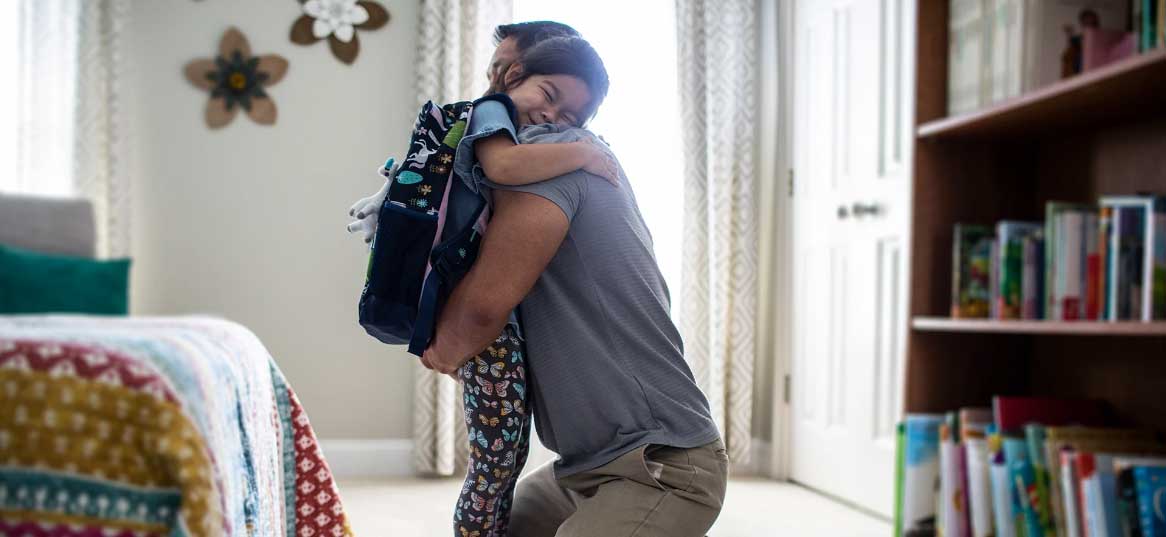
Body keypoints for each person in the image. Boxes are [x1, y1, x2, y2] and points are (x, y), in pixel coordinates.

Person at [421, 40, 728, 537]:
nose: (551, 114)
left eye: (567, 111)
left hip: (662, 466)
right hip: (581, 470)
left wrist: (442, 350)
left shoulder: (551, 157)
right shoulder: (550, 154)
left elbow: (481, 309)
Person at [351, 32, 616, 537]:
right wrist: (582, 154)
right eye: (549, 96)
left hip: (489, 316)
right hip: (485, 323)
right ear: (515, 76)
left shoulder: (510, 123)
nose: (551, 117)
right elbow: (502, 166)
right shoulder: (492, 112)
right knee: (494, 463)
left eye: (569, 118)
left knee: (505, 454)